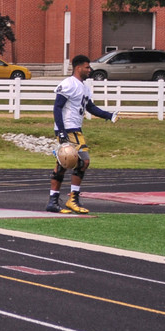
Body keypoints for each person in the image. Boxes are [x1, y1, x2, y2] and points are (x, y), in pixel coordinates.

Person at [46, 54, 119, 214]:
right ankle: (70, 199)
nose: (89, 70)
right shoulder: (68, 84)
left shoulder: (85, 87)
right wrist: (62, 132)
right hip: (68, 129)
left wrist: (109, 115)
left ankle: (56, 200)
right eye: (87, 67)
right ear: (78, 68)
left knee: (67, 163)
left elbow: (90, 107)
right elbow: (57, 107)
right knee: (80, 161)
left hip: (76, 129)